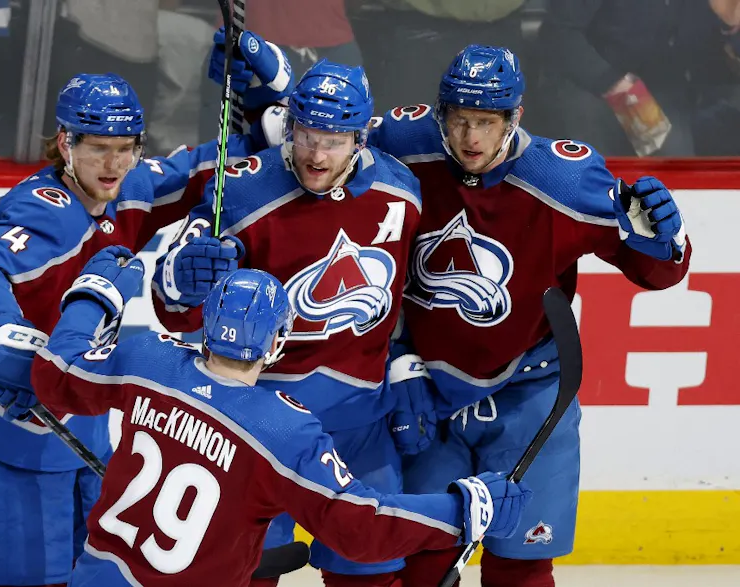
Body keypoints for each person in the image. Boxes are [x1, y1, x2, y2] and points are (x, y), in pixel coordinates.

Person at [216, 39, 693, 587]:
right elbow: (321, 132)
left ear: (516, 116)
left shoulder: (565, 180)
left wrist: (667, 238)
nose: (470, 138)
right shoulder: (406, 140)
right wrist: (269, 92)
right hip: (423, 392)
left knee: (521, 562)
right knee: (419, 558)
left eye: (487, 122)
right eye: (460, 119)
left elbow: (657, 271)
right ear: (439, 112)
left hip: (528, 391)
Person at [0, 70, 275, 587]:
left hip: (80, 414)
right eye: (98, 149)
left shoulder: (130, 187)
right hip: (9, 428)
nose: (114, 164)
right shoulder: (44, 210)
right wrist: (7, 337)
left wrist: (261, 116)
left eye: (126, 147)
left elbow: (204, 169)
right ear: (66, 143)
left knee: (98, 572)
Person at [32, 256, 534, 587]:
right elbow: (359, 525)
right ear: (276, 345)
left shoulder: (147, 360)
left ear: (207, 323)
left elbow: (56, 375)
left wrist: (93, 296)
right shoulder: (283, 431)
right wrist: (462, 510)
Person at [150, 60, 424, 587]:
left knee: (370, 569)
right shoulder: (240, 188)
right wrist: (183, 279)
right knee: (247, 574)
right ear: (289, 126)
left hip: (359, 420)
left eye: (335, 141)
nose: (318, 155)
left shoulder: (403, 192)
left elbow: (417, 292)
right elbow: (171, 305)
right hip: (252, 421)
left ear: (363, 137)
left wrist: (407, 361)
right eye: (307, 136)